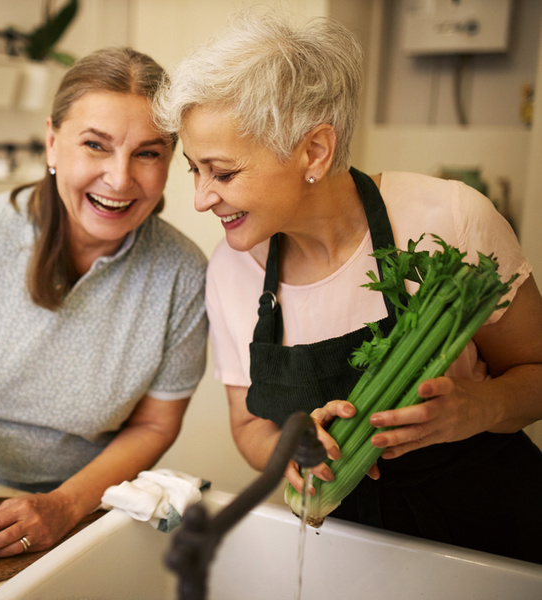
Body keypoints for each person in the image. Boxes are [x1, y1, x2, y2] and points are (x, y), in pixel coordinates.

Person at [153, 11, 542, 563]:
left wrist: (477, 407)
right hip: (347, 552)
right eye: (193, 169)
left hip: (493, 541)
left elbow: (537, 370)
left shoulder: (451, 217)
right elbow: (247, 425)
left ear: (315, 150)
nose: (200, 197)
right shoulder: (231, 269)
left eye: (223, 172)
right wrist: (288, 449)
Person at [0, 47, 208, 561]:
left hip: (94, 504)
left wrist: (65, 504)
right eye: (95, 145)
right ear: (52, 143)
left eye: (148, 153)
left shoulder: (182, 274)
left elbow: (155, 424)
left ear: (170, 161)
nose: (120, 178)